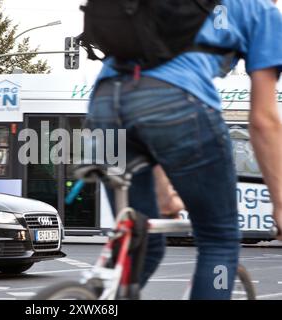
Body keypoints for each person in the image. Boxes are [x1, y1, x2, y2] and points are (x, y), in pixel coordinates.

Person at [86, 0, 282, 299]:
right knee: (219, 239)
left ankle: (91, 297)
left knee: (142, 243)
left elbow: (144, 108)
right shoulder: (261, 11)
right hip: (178, 104)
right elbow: (264, 121)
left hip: (104, 104)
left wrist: (164, 193)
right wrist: (280, 204)